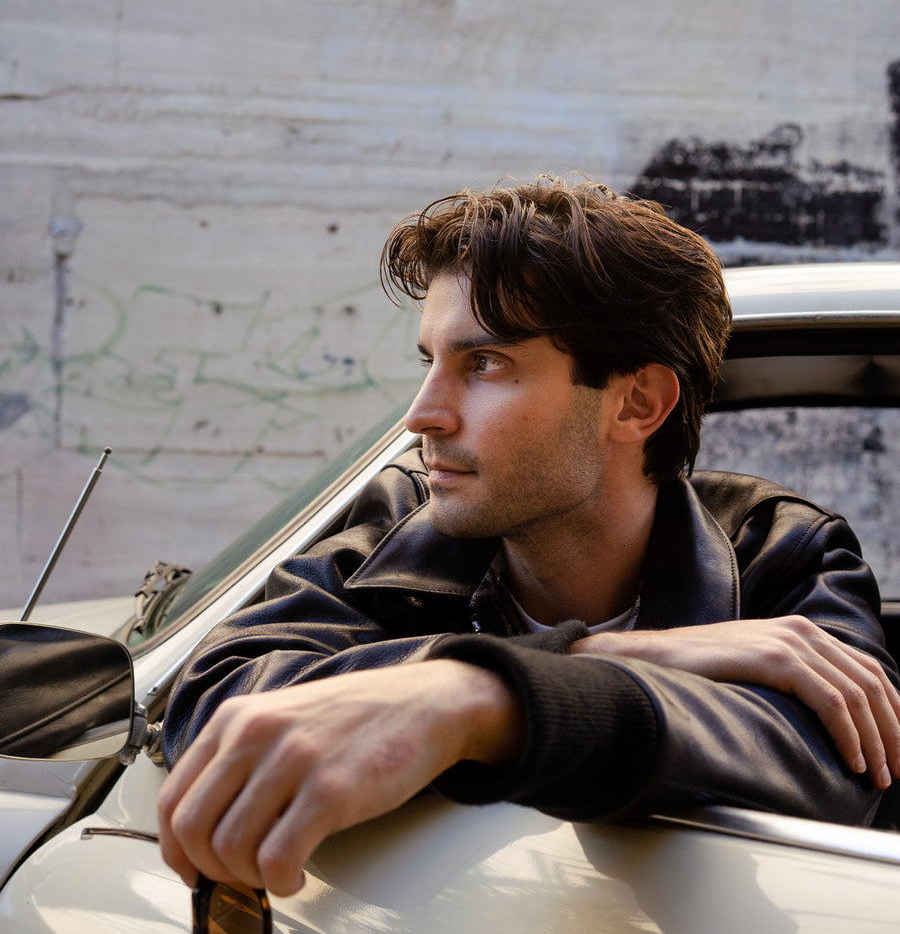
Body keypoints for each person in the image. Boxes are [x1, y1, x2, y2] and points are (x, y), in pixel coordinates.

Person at [159, 175, 900, 896]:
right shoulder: (396, 528)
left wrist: (485, 704)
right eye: (430, 361)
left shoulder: (781, 552)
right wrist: (567, 660)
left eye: (484, 362)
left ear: (637, 403)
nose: (423, 414)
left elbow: (831, 770)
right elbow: (216, 700)